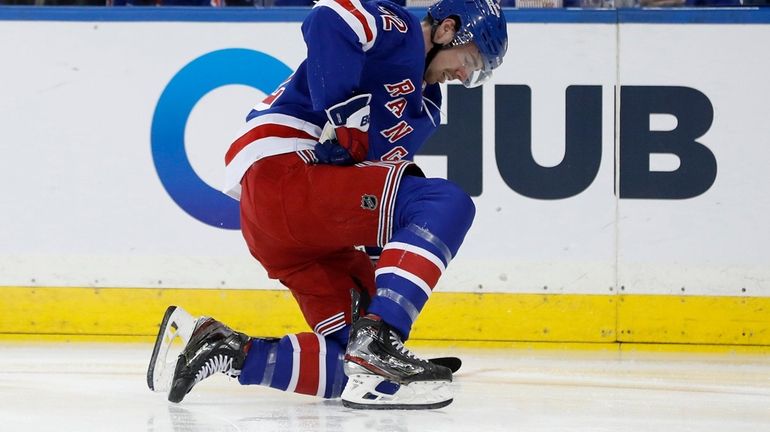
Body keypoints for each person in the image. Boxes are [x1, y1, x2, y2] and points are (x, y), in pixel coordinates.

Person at [160, 0, 507, 410]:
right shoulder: (400, 30)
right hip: (285, 174)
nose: (465, 75)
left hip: (290, 229)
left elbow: (373, 198)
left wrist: (378, 295)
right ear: (448, 29)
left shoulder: (425, 110)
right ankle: (378, 340)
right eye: (469, 59)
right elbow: (329, 17)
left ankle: (227, 348)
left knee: (349, 368)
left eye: (476, 73)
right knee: (447, 202)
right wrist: (344, 115)